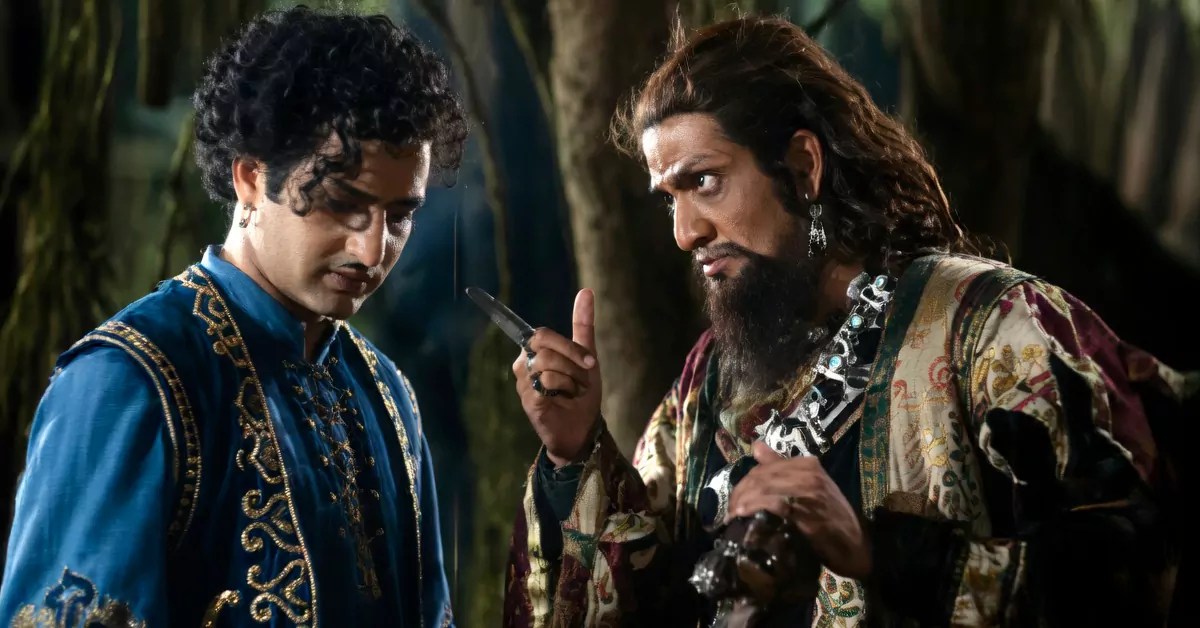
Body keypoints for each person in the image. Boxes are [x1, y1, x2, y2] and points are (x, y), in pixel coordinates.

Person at [501, 16, 1191, 628]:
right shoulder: (709, 381)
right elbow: (650, 599)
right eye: (669, 198)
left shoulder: (994, 327)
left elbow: (1141, 576)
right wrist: (574, 453)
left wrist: (877, 552)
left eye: (704, 181)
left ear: (803, 167)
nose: (685, 232)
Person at [0, 6, 468, 627]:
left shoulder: (386, 393)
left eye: (400, 215)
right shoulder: (129, 382)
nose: (372, 248)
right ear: (250, 177)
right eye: (342, 203)